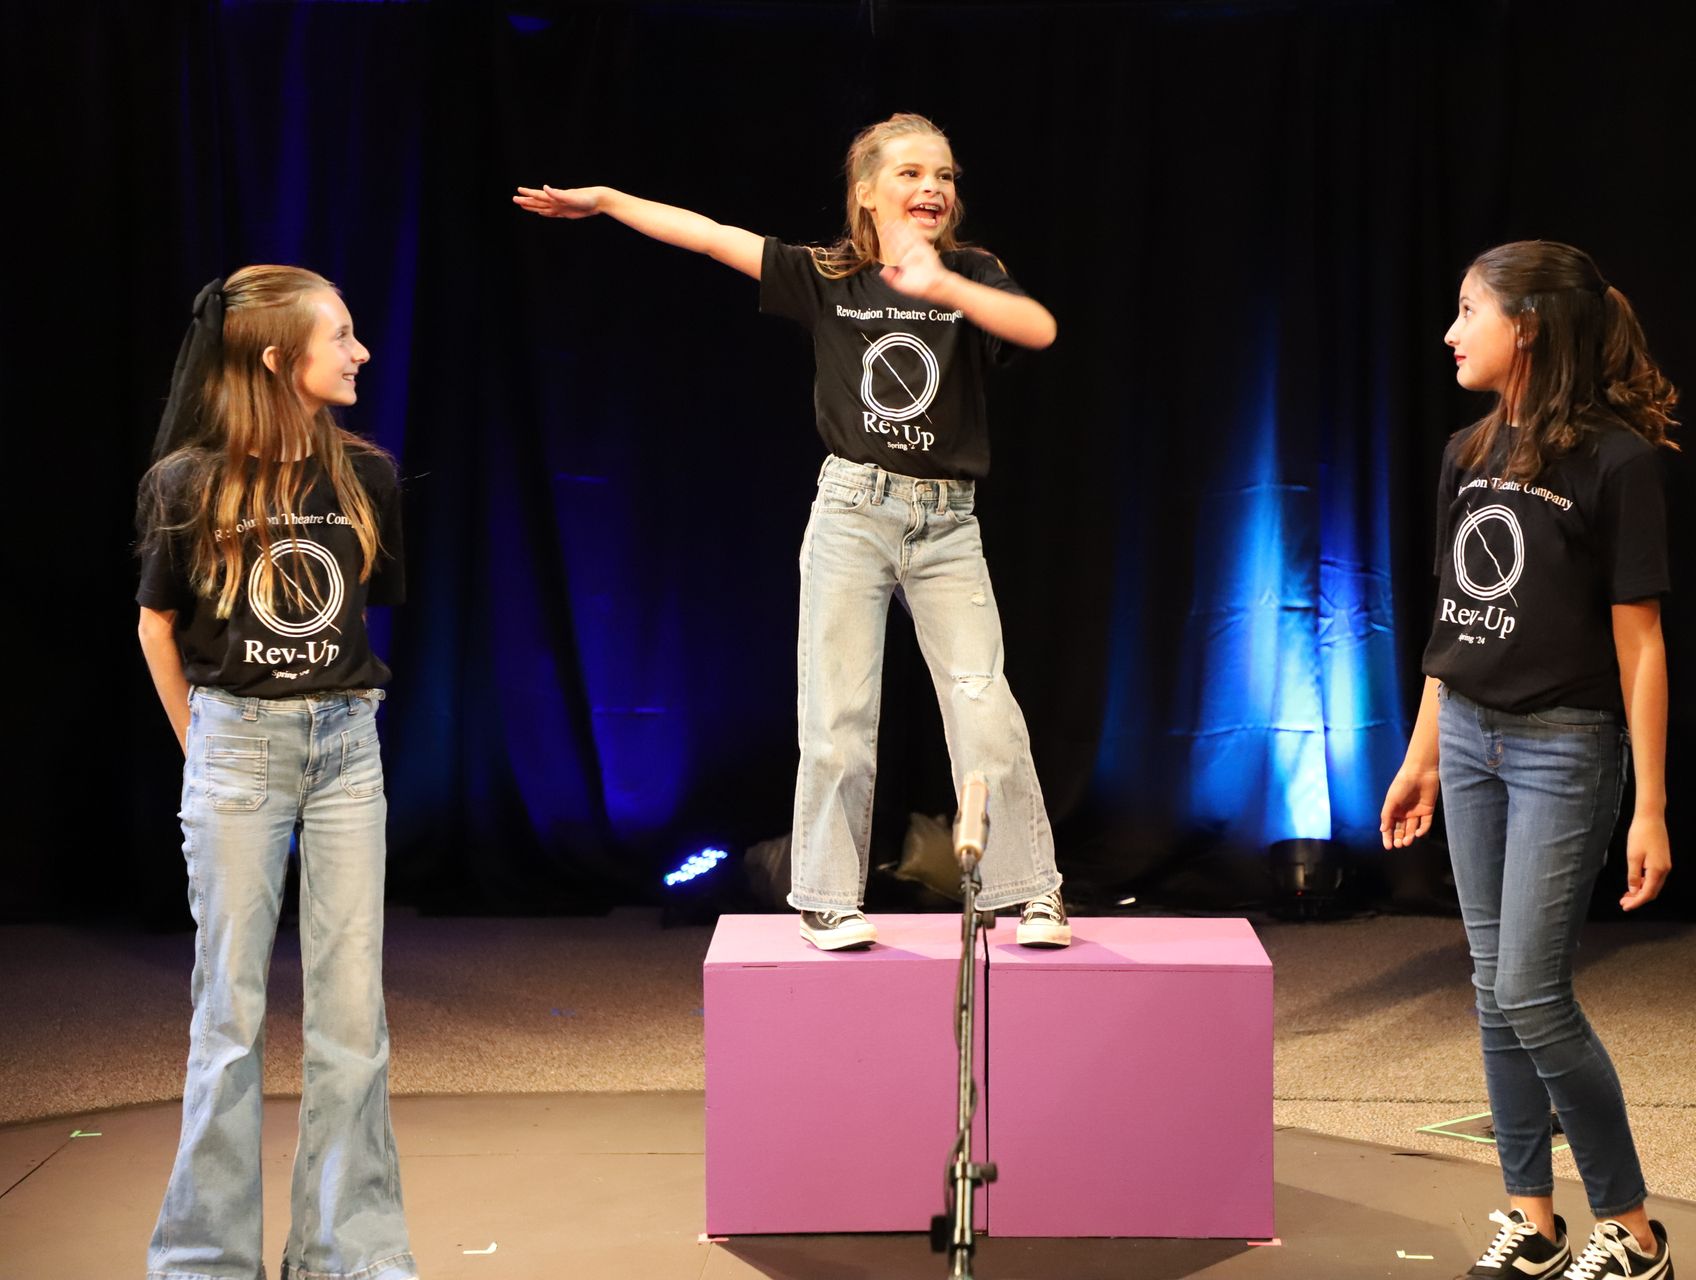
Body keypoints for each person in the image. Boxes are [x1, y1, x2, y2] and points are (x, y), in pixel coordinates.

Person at [515, 112, 1070, 950]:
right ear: (867, 192)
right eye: (913, 173)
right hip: (853, 511)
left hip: (946, 522)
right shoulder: (826, 276)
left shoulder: (974, 272)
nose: (932, 188)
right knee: (840, 714)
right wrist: (610, 200)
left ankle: (1028, 890)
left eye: (945, 176)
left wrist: (944, 287)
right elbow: (708, 236)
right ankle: (827, 897)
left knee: (984, 705)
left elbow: (1039, 330)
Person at [1380, 241, 1678, 1279]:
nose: (1452, 332)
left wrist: (1651, 806)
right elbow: (1455, 619)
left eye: (1469, 310)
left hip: (1563, 744)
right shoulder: (1467, 449)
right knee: (1491, 983)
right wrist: (1421, 753)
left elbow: (1640, 642)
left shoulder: (1618, 460)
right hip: (1467, 737)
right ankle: (1532, 1213)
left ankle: (1633, 1228)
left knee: (1531, 990)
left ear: (1531, 327)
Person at [138, 266, 415, 1280]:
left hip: (347, 746)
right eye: (339, 335)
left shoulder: (365, 478)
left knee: (354, 1016)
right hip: (235, 743)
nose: (360, 352)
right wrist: (203, 750)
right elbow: (157, 625)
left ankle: (348, 1251)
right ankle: (205, 1257)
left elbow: (359, 611)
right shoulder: (187, 483)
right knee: (230, 1016)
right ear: (275, 359)